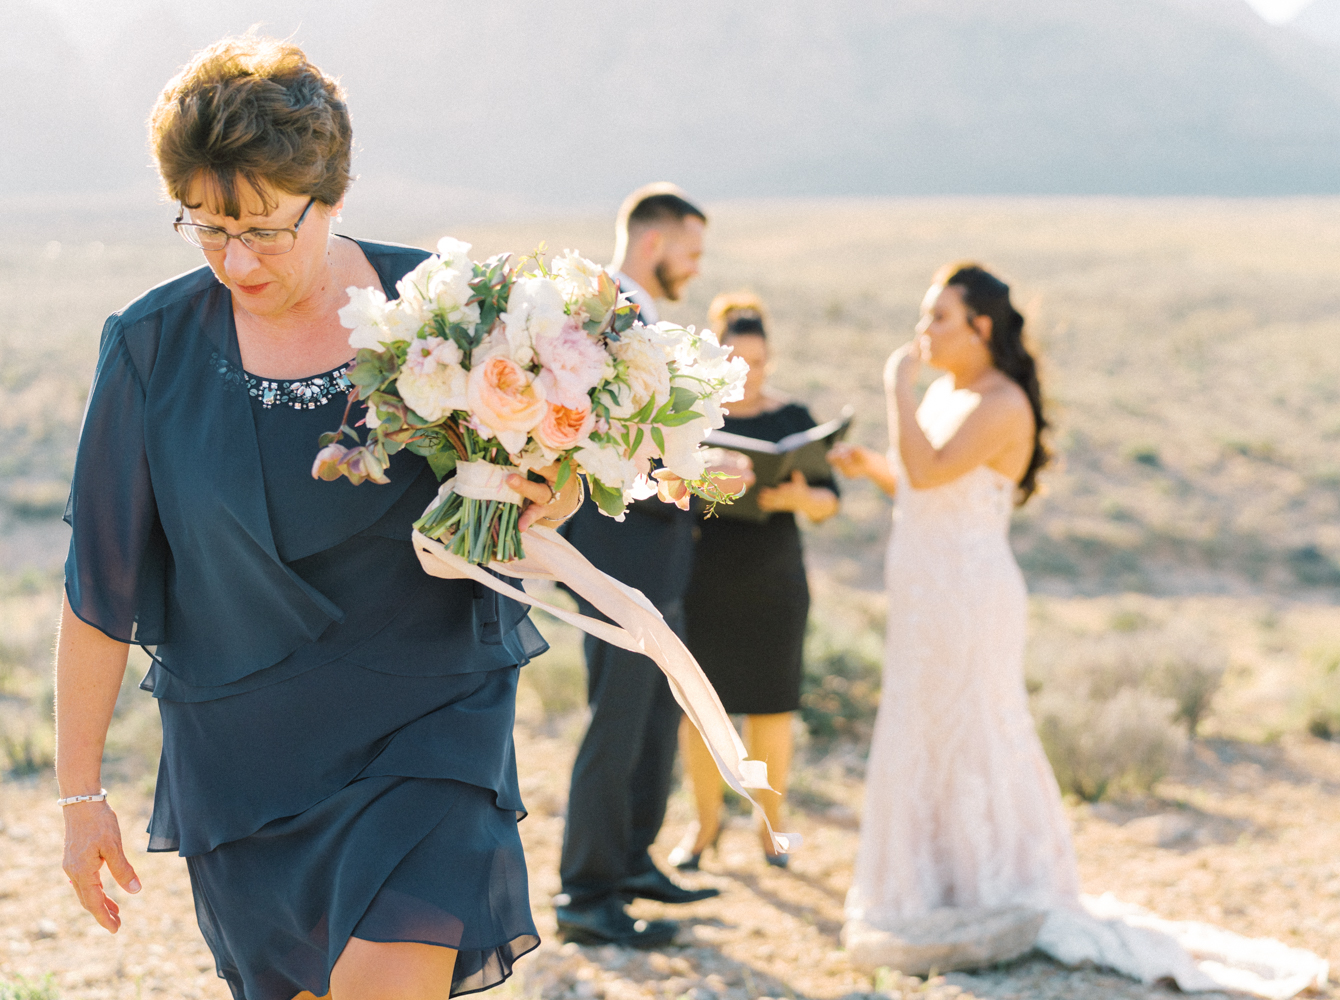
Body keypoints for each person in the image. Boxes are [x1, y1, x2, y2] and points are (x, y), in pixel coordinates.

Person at [55, 37, 584, 1000]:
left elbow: (550, 465)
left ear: (331, 195)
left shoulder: (444, 311)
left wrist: (555, 490)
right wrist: (80, 796)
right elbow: (101, 589)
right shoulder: (148, 348)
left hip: (430, 723)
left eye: (262, 229)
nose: (233, 258)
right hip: (244, 759)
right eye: (205, 228)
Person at [829, 264, 1326, 993]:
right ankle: (938, 881)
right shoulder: (949, 393)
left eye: (938, 318)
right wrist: (870, 463)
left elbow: (933, 473)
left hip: (968, 597)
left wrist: (893, 387)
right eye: (922, 316)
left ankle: (994, 880)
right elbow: (919, 479)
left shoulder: (1001, 403)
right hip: (926, 595)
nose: (922, 332)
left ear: (982, 328)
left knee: (974, 724)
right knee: (925, 724)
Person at [553, 185, 746, 947]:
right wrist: (695, 472)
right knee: (620, 718)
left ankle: (632, 861)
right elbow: (604, 444)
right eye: (691, 254)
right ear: (655, 242)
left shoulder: (640, 312)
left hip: (655, 550)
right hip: (619, 551)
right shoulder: (608, 312)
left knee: (656, 717)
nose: (695, 271)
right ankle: (585, 895)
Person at [670, 294, 838, 871]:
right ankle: (704, 827)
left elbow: (828, 501)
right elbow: (667, 494)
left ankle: (772, 829)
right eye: (739, 361)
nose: (751, 374)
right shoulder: (690, 417)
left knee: (771, 711)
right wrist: (713, 485)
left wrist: (796, 496)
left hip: (775, 582)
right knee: (700, 711)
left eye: (760, 362)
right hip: (704, 579)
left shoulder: (793, 417)